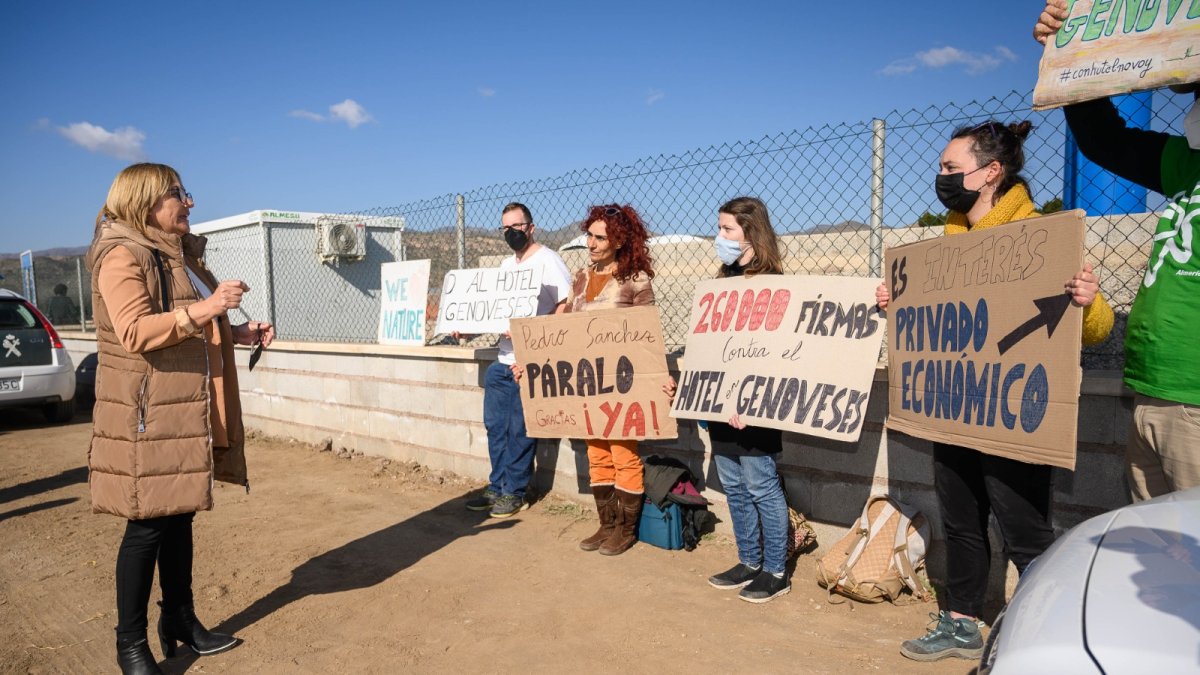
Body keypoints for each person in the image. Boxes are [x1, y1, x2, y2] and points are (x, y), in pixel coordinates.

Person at [876, 121, 1115, 661]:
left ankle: (1041, 635)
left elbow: (1096, 330)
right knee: (962, 521)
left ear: (990, 173)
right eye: (941, 166)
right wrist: (897, 302)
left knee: (1024, 531)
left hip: (1014, 410)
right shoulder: (944, 246)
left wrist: (1088, 299)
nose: (941, 175)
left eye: (951, 167)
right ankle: (961, 624)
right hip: (954, 406)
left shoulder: (1042, 236)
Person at [86, 163, 275, 675]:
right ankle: (130, 645)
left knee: (180, 513)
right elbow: (134, 331)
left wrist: (237, 332)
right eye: (178, 193)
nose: (189, 202)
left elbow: (190, 325)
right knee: (147, 525)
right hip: (148, 412)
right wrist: (211, 306)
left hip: (184, 406)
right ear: (145, 201)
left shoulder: (178, 255)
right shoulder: (123, 253)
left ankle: (180, 618)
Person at [1035, 0, 1200, 501]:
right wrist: (1072, 51)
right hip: (1152, 390)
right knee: (1153, 542)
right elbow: (1105, 141)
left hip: (1192, 398)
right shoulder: (1185, 162)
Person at [667, 196, 792, 602]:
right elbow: (710, 347)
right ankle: (749, 561)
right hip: (720, 405)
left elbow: (776, 352)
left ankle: (775, 570)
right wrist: (690, 388)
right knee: (735, 487)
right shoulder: (721, 284)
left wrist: (749, 400)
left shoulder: (775, 284)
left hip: (756, 407)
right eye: (719, 228)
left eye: (727, 229)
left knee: (761, 486)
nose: (718, 236)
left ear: (751, 233)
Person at [461, 202, 572, 518]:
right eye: (506, 228)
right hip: (502, 360)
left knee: (520, 430)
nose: (511, 232)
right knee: (496, 427)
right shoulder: (506, 266)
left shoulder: (549, 261)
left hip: (530, 363)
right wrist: (467, 328)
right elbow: (495, 311)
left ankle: (515, 492)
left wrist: (534, 338)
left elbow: (565, 305)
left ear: (531, 228)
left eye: (517, 226)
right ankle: (497, 486)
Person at [567, 203, 655, 556]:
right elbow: (565, 330)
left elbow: (648, 335)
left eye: (600, 238)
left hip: (622, 383)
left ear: (618, 241)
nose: (591, 243)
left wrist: (656, 379)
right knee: (596, 453)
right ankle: (606, 524)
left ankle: (626, 529)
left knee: (623, 453)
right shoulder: (580, 277)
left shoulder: (636, 280)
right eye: (589, 235)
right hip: (586, 382)